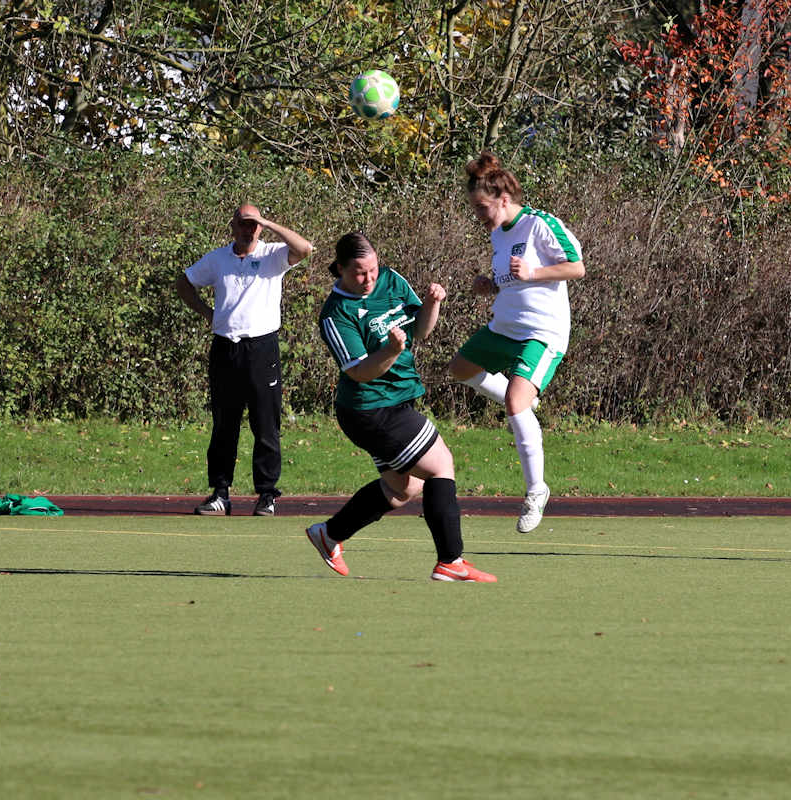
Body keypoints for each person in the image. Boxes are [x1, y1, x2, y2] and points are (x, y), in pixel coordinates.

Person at [306, 232, 497, 582]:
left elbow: (421, 332)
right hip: (370, 408)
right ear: (341, 270)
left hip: (394, 400)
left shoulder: (391, 280)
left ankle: (329, 534)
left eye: (373, 270)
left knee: (401, 489)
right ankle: (450, 561)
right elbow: (360, 372)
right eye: (360, 273)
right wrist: (391, 351)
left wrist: (432, 304)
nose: (369, 279)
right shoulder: (336, 313)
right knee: (441, 465)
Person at [448, 151, 585, 533]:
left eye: (482, 207)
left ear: (504, 199)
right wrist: (488, 285)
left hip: (541, 332)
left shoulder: (540, 224)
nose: (479, 215)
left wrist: (534, 271)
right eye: (474, 208)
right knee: (460, 369)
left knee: (513, 402)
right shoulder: (497, 233)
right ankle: (524, 398)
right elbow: (511, 279)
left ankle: (536, 490)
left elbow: (577, 266)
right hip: (504, 327)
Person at [174, 204, 313, 517]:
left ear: (260, 227)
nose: (248, 229)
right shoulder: (217, 258)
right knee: (225, 424)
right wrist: (208, 314)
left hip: (262, 349)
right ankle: (220, 493)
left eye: (254, 224)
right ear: (232, 226)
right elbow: (184, 284)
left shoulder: (273, 254)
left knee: (265, 424)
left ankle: (266, 494)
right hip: (226, 348)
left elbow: (304, 249)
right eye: (243, 223)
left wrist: (267, 221)